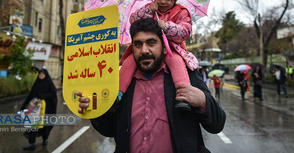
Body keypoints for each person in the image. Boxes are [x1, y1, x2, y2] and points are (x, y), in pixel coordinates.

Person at [77, 18, 226, 152]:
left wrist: (203, 101)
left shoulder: (186, 76)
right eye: (138, 44)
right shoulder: (120, 84)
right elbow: (110, 130)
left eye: (151, 42)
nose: (144, 50)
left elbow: (217, 124)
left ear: (163, 44)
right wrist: (96, 109)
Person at [119, 0, 199, 111]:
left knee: (177, 62)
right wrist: (148, 10)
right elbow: (134, 20)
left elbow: (185, 32)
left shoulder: (181, 12)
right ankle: (118, 92)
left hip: (171, 48)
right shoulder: (149, 8)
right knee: (129, 61)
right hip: (151, 47)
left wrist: (167, 27)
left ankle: (183, 96)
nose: (163, 1)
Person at [21, 68, 58, 150]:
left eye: (42, 74)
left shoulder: (49, 83)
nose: (41, 75)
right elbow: (30, 95)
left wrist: (43, 97)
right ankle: (31, 143)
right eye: (40, 74)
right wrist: (23, 106)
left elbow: (53, 93)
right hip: (35, 108)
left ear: (45, 75)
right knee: (32, 124)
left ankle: (45, 138)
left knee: (45, 125)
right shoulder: (36, 84)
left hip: (45, 109)